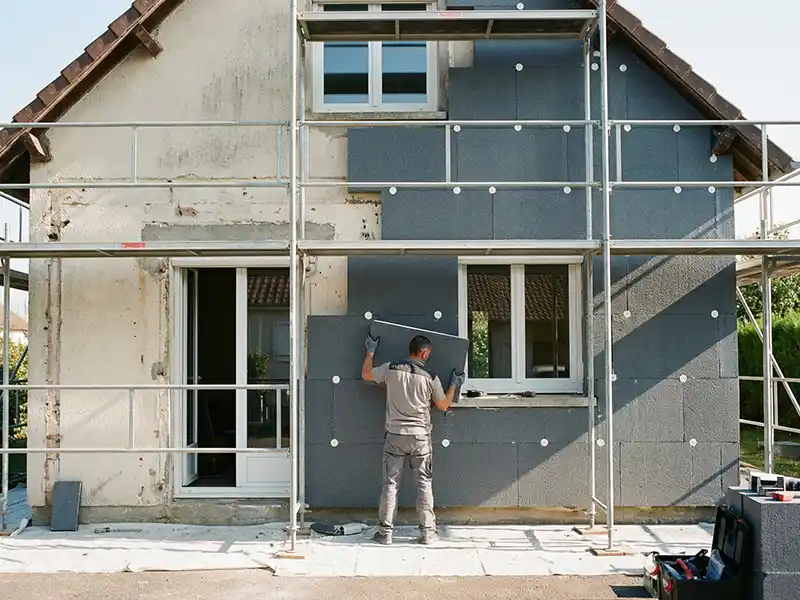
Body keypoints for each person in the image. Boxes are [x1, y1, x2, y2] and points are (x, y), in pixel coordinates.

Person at [361, 331, 465, 546]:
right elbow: (443, 405)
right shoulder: (430, 378)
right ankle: (427, 533)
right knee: (424, 484)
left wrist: (371, 351)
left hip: (395, 437)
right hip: (420, 438)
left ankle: (385, 533)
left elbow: (366, 375)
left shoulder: (391, 369)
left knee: (390, 485)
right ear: (424, 353)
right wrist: (454, 384)